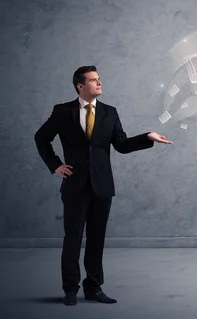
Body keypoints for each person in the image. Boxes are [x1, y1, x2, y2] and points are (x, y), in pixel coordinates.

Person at [34, 66, 173, 306]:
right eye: (93, 80)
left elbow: (121, 144)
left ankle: (94, 288)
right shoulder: (62, 111)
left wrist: (147, 136)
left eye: (99, 79)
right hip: (75, 186)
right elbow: (41, 138)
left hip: (102, 186)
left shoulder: (110, 112)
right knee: (73, 238)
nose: (99, 83)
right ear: (80, 86)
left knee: (97, 239)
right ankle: (70, 289)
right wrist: (55, 165)